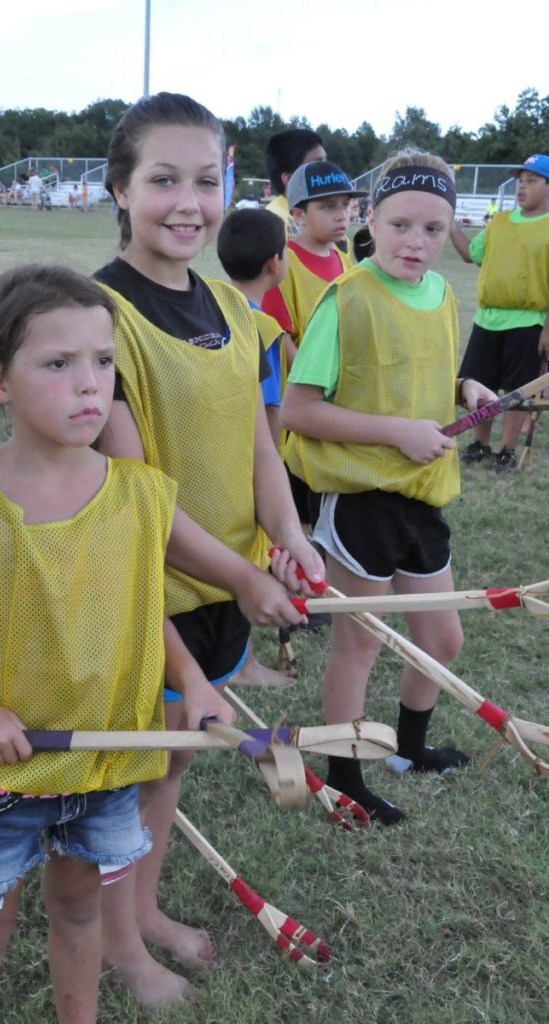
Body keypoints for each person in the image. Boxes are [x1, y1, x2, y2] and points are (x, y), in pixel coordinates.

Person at [0, 263, 236, 1024]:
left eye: (103, 363)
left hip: (106, 761)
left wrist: (199, 678)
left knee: (80, 911)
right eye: (58, 363)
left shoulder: (137, 495)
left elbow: (150, 605)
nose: (90, 385)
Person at [93, 92, 325, 1006]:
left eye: (207, 178)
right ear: (119, 189)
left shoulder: (231, 303)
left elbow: (258, 445)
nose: (189, 202)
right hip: (147, 599)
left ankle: (139, 911)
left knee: (172, 760)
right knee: (132, 779)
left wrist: (290, 537)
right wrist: (238, 572)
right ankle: (123, 943)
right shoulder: (99, 317)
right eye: (162, 180)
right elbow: (134, 496)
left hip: (221, 592)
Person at [281, 150, 497, 825]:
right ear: (366, 221)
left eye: (434, 230)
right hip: (362, 499)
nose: (417, 242)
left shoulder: (439, 295)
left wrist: (466, 387)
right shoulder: (346, 299)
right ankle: (346, 776)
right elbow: (299, 408)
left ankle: (409, 747)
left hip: (424, 493)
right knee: (362, 642)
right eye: (400, 225)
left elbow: (429, 375)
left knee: (442, 638)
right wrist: (393, 432)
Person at [263, 159, 364, 532]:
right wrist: (312, 377)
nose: (341, 215)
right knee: (299, 498)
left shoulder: (344, 259)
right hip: (300, 402)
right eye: (326, 207)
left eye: (345, 205)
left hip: (337, 398)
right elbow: (278, 333)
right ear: (298, 215)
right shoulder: (284, 262)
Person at [451, 153, 549, 473]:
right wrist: (448, 221)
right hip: (486, 318)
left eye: (531, 181)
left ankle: (506, 451)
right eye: (520, 181)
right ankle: (480, 444)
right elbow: (470, 254)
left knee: (517, 392)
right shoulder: (501, 223)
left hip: (528, 320)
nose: (522, 187)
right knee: (478, 385)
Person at [216, 207, 290, 449]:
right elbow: (270, 408)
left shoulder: (210, 305)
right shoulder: (263, 327)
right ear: (274, 264)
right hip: (249, 460)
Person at [264, 127, 326, 237]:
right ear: (289, 179)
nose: (328, 170)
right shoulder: (271, 222)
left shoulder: (326, 220)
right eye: (318, 165)